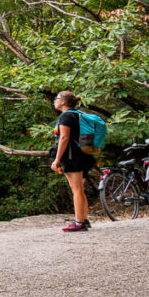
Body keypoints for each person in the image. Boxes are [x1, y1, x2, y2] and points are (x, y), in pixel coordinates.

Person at [51, 90, 95, 232]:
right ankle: (83, 219)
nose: (55, 101)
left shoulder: (65, 117)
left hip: (72, 157)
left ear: (63, 101)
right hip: (84, 155)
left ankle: (79, 222)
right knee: (80, 190)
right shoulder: (78, 115)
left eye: (57, 98)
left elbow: (64, 138)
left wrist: (57, 159)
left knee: (76, 190)